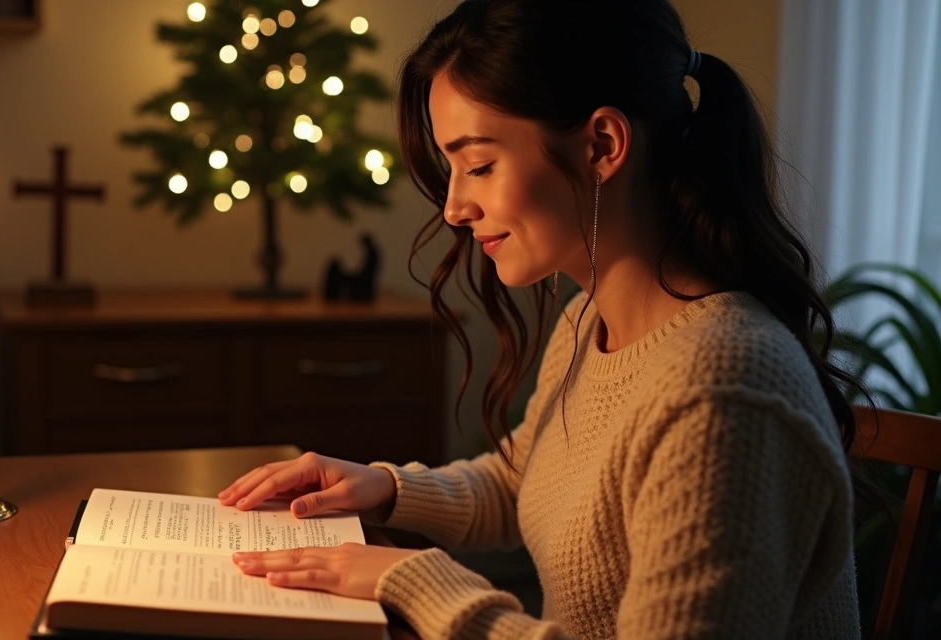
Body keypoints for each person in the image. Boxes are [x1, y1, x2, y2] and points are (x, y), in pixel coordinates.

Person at [218, 0, 865, 637]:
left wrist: (418, 578)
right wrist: (383, 487)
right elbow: (522, 481)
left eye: (478, 166)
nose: (454, 208)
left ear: (602, 144)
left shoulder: (724, 391)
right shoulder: (593, 321)